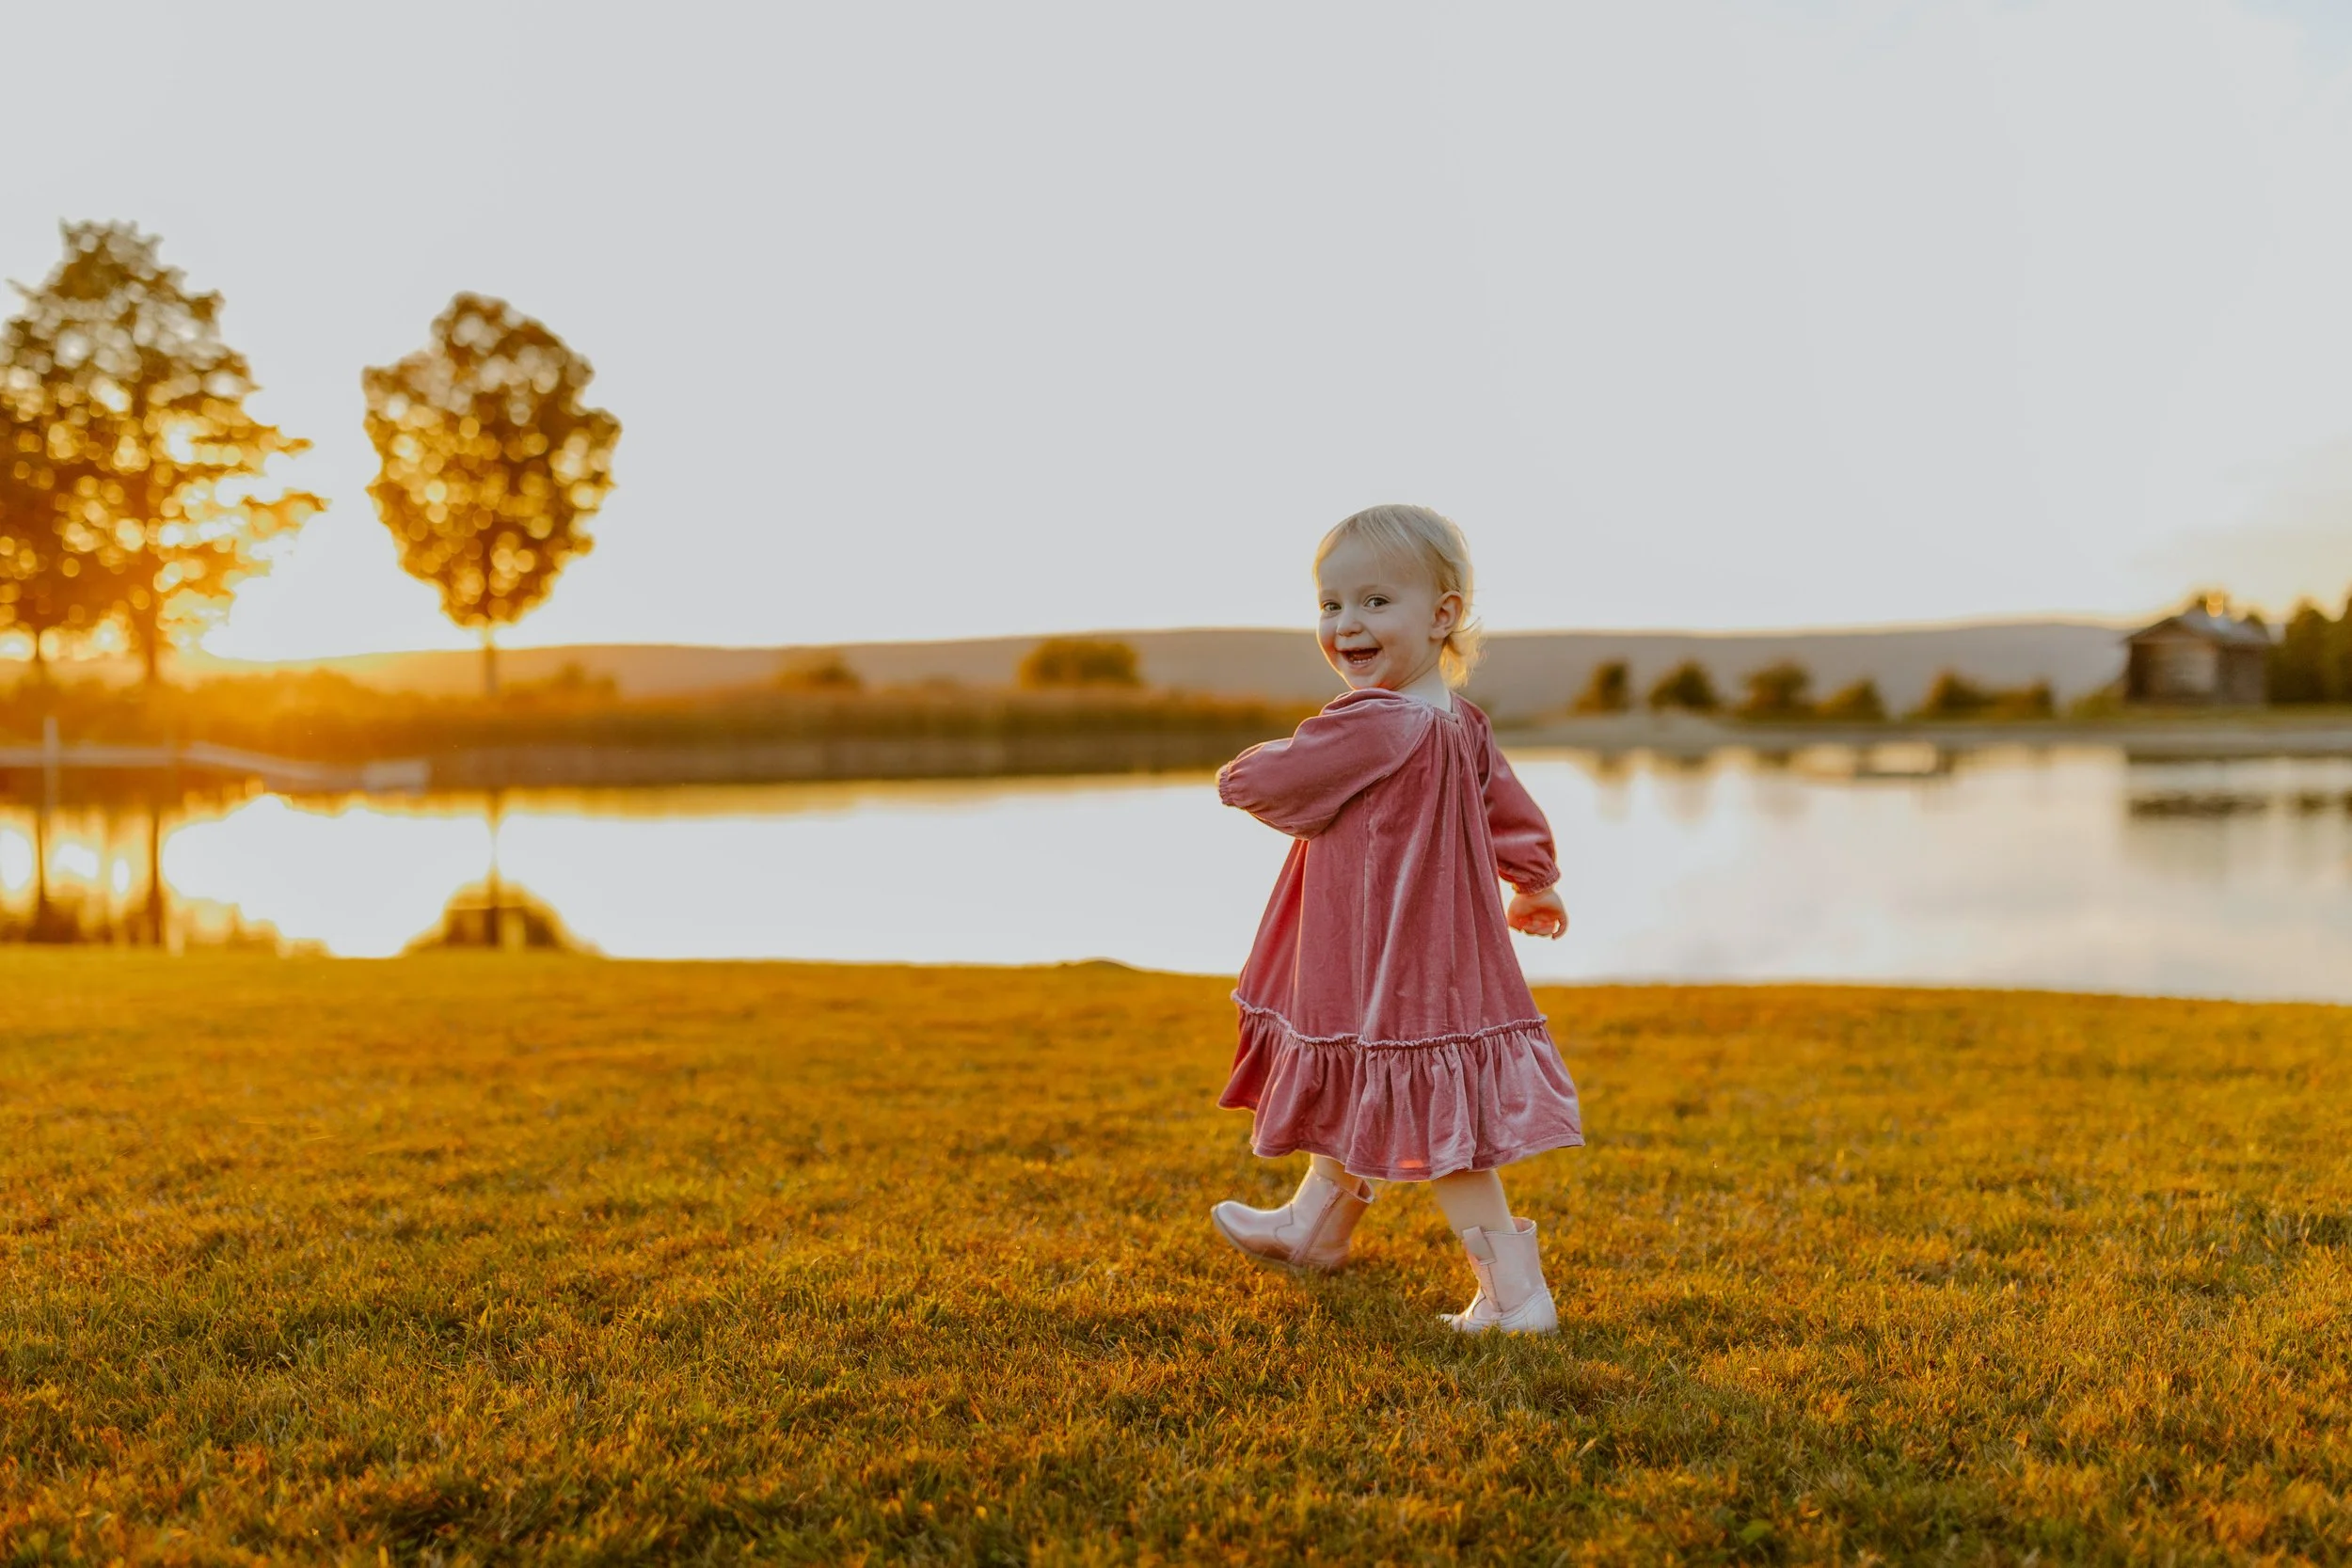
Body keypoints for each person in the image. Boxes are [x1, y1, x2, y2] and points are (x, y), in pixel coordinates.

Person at [1211, 503, 1583, 1334]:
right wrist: (1534, 880)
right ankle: (1315, 1224)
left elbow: (1278, 781)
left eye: (1377, 602)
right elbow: (1506, 807)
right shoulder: (1458, 720)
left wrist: (1238, 772)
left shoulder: (1375, 721)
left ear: (1442, 615)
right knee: (1359, 1064)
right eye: (1331, 604)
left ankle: (1517, 1296)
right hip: (1413, 947)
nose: (1346, 624)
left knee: (1443, 1129)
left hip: (1389, 948)